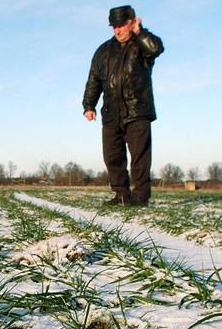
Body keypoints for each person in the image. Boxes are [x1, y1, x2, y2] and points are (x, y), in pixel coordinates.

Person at [83, 5, 164, 206]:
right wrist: (89, 105)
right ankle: (121, 195)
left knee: (140, 158)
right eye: (114, 27)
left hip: (137, 110)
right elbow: (94, 79)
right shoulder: (103, 51)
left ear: (132, 22)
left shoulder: (142, 46)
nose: (117, 30)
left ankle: (140, 197)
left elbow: (157, 48)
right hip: (111, 113)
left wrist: (140, 31)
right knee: (112, 157)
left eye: (121, 25)